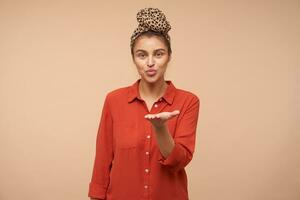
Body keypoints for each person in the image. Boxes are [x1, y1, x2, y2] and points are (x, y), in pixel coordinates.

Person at [88, 7, 200, 200]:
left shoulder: (188, 101)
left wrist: (161, 129)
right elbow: (103, 160)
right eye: (142, 55)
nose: (150, 62)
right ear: (133, 58)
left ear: (169, 57)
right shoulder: (114, 100)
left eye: (158, 54)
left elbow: (179, 162)